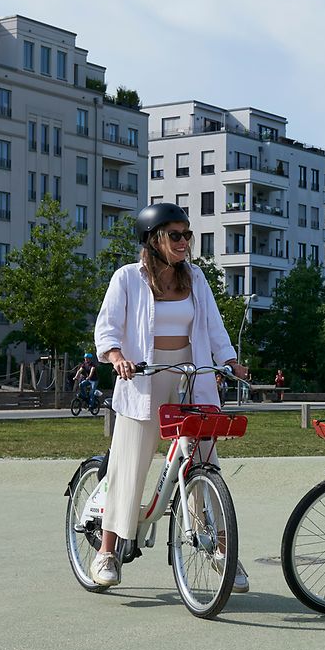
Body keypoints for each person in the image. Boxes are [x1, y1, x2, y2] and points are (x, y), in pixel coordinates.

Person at [90, 204, 250, 592]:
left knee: (205, 461)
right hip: (143, 378)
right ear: (153, 239)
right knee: (130, 464)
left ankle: (221, 549)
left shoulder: (195, 278)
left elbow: (213, 323)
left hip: (191, 374)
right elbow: (107, 328)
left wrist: (229, 360)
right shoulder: (127, 278)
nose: (184, 242)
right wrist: (117, 358)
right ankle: (107, 551)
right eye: (175, 235)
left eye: (187, 234)